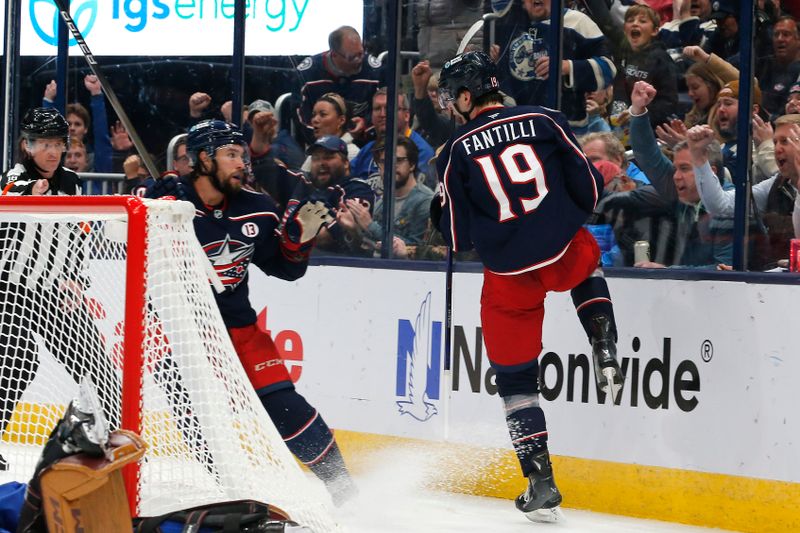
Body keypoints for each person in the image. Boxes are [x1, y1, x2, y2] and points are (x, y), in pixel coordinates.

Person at [434, 51, 623, 521]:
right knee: (586, 264)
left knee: (517, 381)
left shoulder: (455, 150)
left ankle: (540, 478)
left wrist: (447, 213)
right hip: (562, 250)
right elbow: (588, 183)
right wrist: (563, 223)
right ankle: (603, 342)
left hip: (508, 277)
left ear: (465, 95)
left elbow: (456, 237)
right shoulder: (544, 118)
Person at [145, 120, 356, 504]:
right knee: (200, 420)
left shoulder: (256, 208)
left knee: (287, 409)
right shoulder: (166, 204)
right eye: (230, 154)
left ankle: (343, 488)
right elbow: (131, 251)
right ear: (202, 160)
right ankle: (230, 494)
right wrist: (149, 206)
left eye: (242, 154)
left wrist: (299, 240)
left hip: (240, 328)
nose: (241, 162)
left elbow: (286, 269)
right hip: (180, 331)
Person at [0, 108, 120, 471]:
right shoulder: (15, 177)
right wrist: (29, 192)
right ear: (27, 145)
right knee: (17, 363)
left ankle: (112, 437)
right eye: (44, 144)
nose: (52, 152)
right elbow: (11, 193)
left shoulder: (71, 181)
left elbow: (77, 236)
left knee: (98, 366)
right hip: (11, 290)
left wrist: (76, 280)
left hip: (55, 290)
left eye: (58, 144)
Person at [687, 117, 800, 269]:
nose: (777, 149)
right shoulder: (775, 185)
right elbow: (720, 206)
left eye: (785, 141)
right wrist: (699, 156)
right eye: (775, 142)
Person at [348, 137, 435, 257]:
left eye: (398, 160)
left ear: (412, 164)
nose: (390, 166)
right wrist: (352, 229)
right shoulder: (383, 201)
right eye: (384, 162)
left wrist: (370, 225)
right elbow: (368, 248)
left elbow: (417, 251)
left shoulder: (426, 202)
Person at [295, 26, 384, 143]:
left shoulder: (374, 71)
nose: (359, 60)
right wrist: (324, 138)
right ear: (334, 54)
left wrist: (366, 125)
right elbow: (300, 117)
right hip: (320, 143)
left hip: (364, 141)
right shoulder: (308, 73)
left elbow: (386, 110)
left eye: (361, 53)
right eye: (351, 57)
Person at [350, 89, 435, 185]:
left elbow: (420, 195)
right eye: (377, 108)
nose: (382, 114)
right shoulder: (367, 150)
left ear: (407, 115)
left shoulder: (422, 151)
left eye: (389, 108)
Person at [301, 92, 359, 171]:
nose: (315, 120)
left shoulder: (352, 153)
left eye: (323, 114)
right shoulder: (314, 154)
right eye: (314, 115)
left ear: (341, 120)